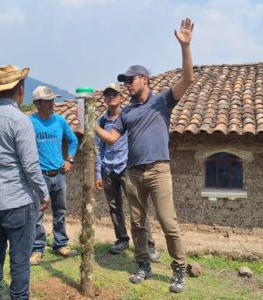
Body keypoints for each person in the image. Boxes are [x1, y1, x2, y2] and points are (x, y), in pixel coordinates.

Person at [95, 18, 194, 293]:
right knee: (137, 223)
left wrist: (185, 46)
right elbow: (112, 137)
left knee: (168, 222)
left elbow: (187, 78)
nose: (127, 84)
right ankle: (143, 265)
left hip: (159, 170)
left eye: (130, 79)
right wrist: (90, 126)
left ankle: (178, 270)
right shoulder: (126, 112)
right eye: (125, 80)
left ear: (145, 80)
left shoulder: (162, 101)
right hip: (134, 173)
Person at [0, 65, 50, 299]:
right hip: (18, 200)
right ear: (20, 90)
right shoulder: (20, 120)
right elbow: (30, 165)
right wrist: (43, 193)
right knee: (19, 257)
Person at [95, 83, 160, 262]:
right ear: (104, 98)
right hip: (108, 170)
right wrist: (98, 174)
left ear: (122, 97)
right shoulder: (101, 122)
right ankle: (122, 240)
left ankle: (149, 245)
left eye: (114, 94)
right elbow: (98, 149)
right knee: (115, 208)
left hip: (127, 169)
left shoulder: (129, 117)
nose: (111, 97)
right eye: (107, 94)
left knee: (138, 209)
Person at [29, 86, 78, 265]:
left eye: (52, 100)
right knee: (37, 214)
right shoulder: (30, 122)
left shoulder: (60, 120)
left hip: (59, 174)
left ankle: (60, 244)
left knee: (60, 211)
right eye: (47, 101)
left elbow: (73, 140)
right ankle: (37, 249)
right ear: (37, 104)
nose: (52, 104)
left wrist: (70, 160)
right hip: (39, 176)